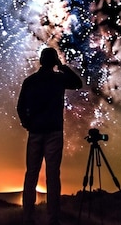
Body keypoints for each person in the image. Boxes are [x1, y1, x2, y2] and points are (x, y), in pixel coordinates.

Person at [17, 47, 83, 225]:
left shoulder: (30, 81)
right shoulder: (59, 79)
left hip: (35, 132)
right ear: (54, 61)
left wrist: (27, 123)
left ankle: (28, 217)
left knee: (31, 174)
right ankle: (53, 218)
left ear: (40, 60)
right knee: (53, 175)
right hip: (54, 131)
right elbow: (78, 83)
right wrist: (63, 67)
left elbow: (20, 107)